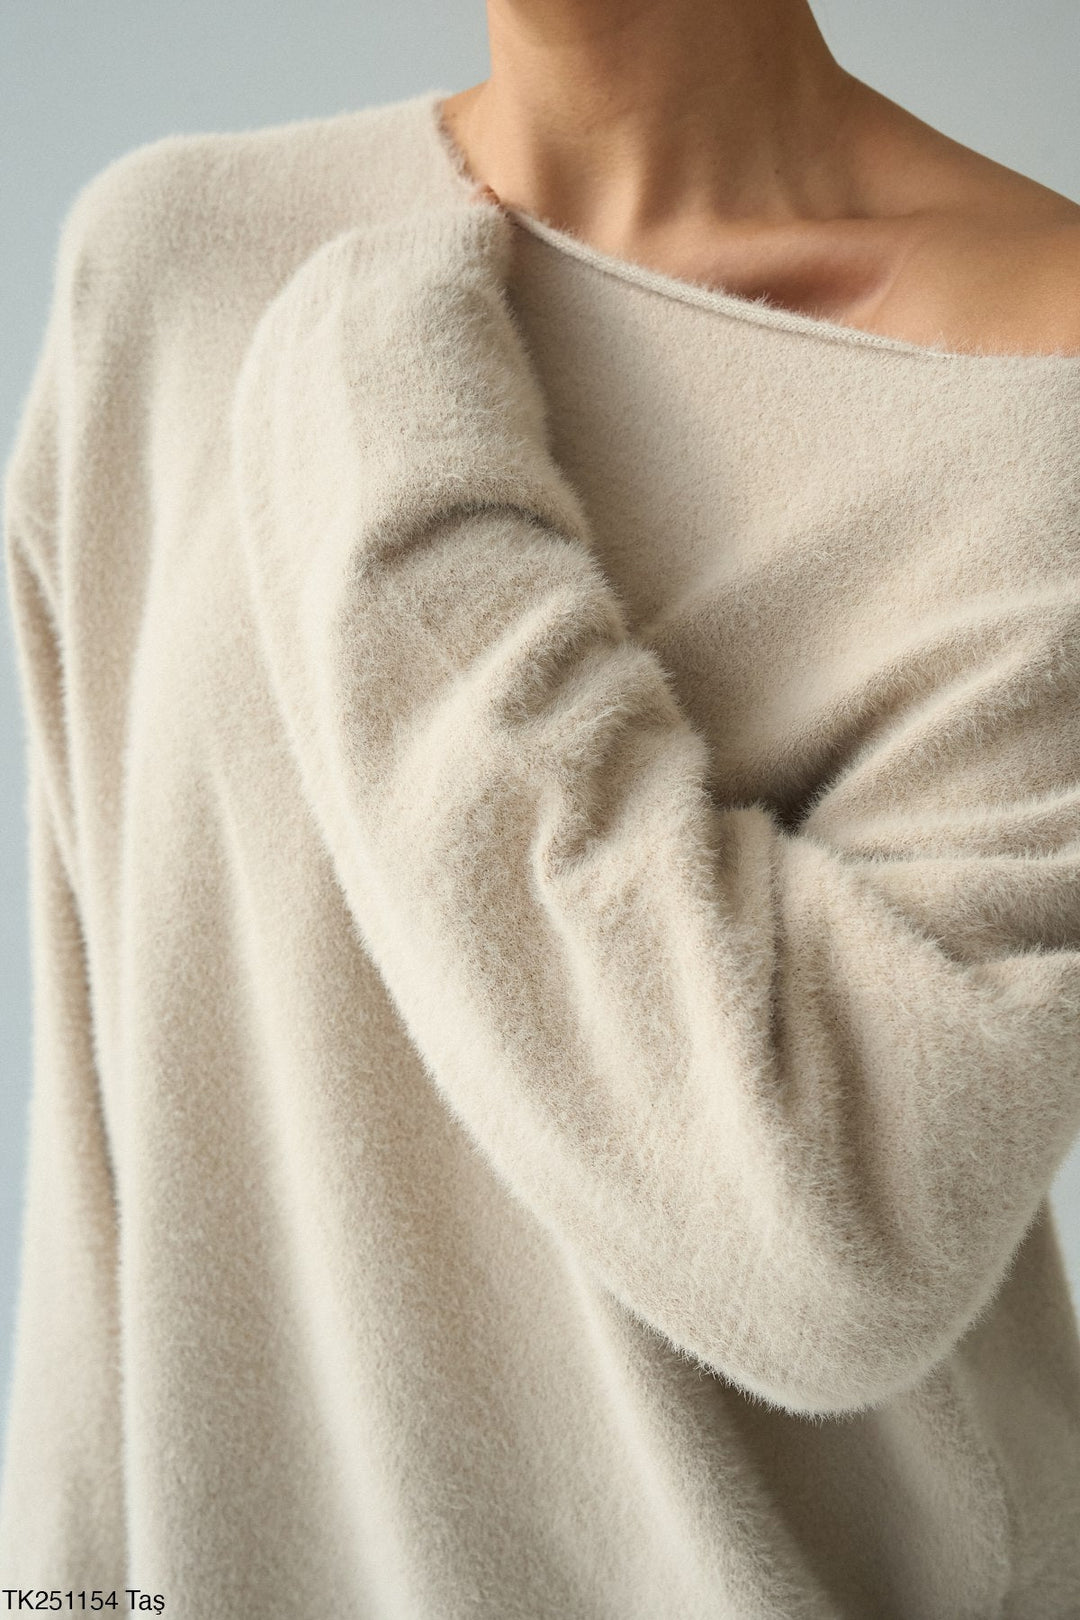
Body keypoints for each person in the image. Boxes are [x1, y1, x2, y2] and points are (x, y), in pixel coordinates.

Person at [2, 2, 1080, 1616]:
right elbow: (112, 1135)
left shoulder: (1039, 402)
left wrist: (381, 437)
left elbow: (830, 1253)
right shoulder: (173, 265)